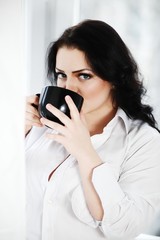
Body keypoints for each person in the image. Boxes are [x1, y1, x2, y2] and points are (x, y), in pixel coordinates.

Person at [25, 19, 160, 240]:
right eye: (62, 74)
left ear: (114, 78)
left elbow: (125, 230)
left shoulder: (143, 141)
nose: (68, 87)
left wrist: (85, 152)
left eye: (84, 76)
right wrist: (11, 133)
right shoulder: (38, 125)